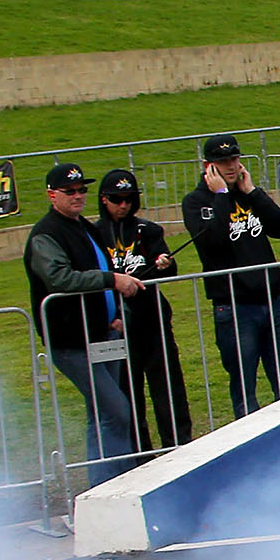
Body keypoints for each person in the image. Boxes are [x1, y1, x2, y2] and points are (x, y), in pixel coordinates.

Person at [24, 161, 140, 485]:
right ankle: (115, 483)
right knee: (116, 410)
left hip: (103, 334)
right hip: (71, 342)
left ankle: (104, 485)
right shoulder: (46, 234)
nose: (78, 196)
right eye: (70, 191)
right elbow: (59, 278)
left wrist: (117, 314)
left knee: (102, 414)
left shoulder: (85, 227)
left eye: (82, 190)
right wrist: (111, 280)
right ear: (52, 195)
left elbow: (104, 268)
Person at [183, 134, 280, 420]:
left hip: (273, 301)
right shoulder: (195, 202)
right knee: (245, 389)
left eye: (234, 159)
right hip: (234, 307)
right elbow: (213, 241)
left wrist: (254, 192)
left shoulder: (249, 195)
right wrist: (221, 195)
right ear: (208, 166)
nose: (231, 166)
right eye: (223, 161)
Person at [95, 168, 191, 452]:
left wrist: (163, 262)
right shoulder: (94, 234)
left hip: (153, 319)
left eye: (129, 199)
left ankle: (179, 445)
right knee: (127, 392)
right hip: (118, 324)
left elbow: (169, 266)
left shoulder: (148, 230)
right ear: (104, 199)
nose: (123, 205)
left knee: (168, 388)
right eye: (117, 199)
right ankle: (139, 453)